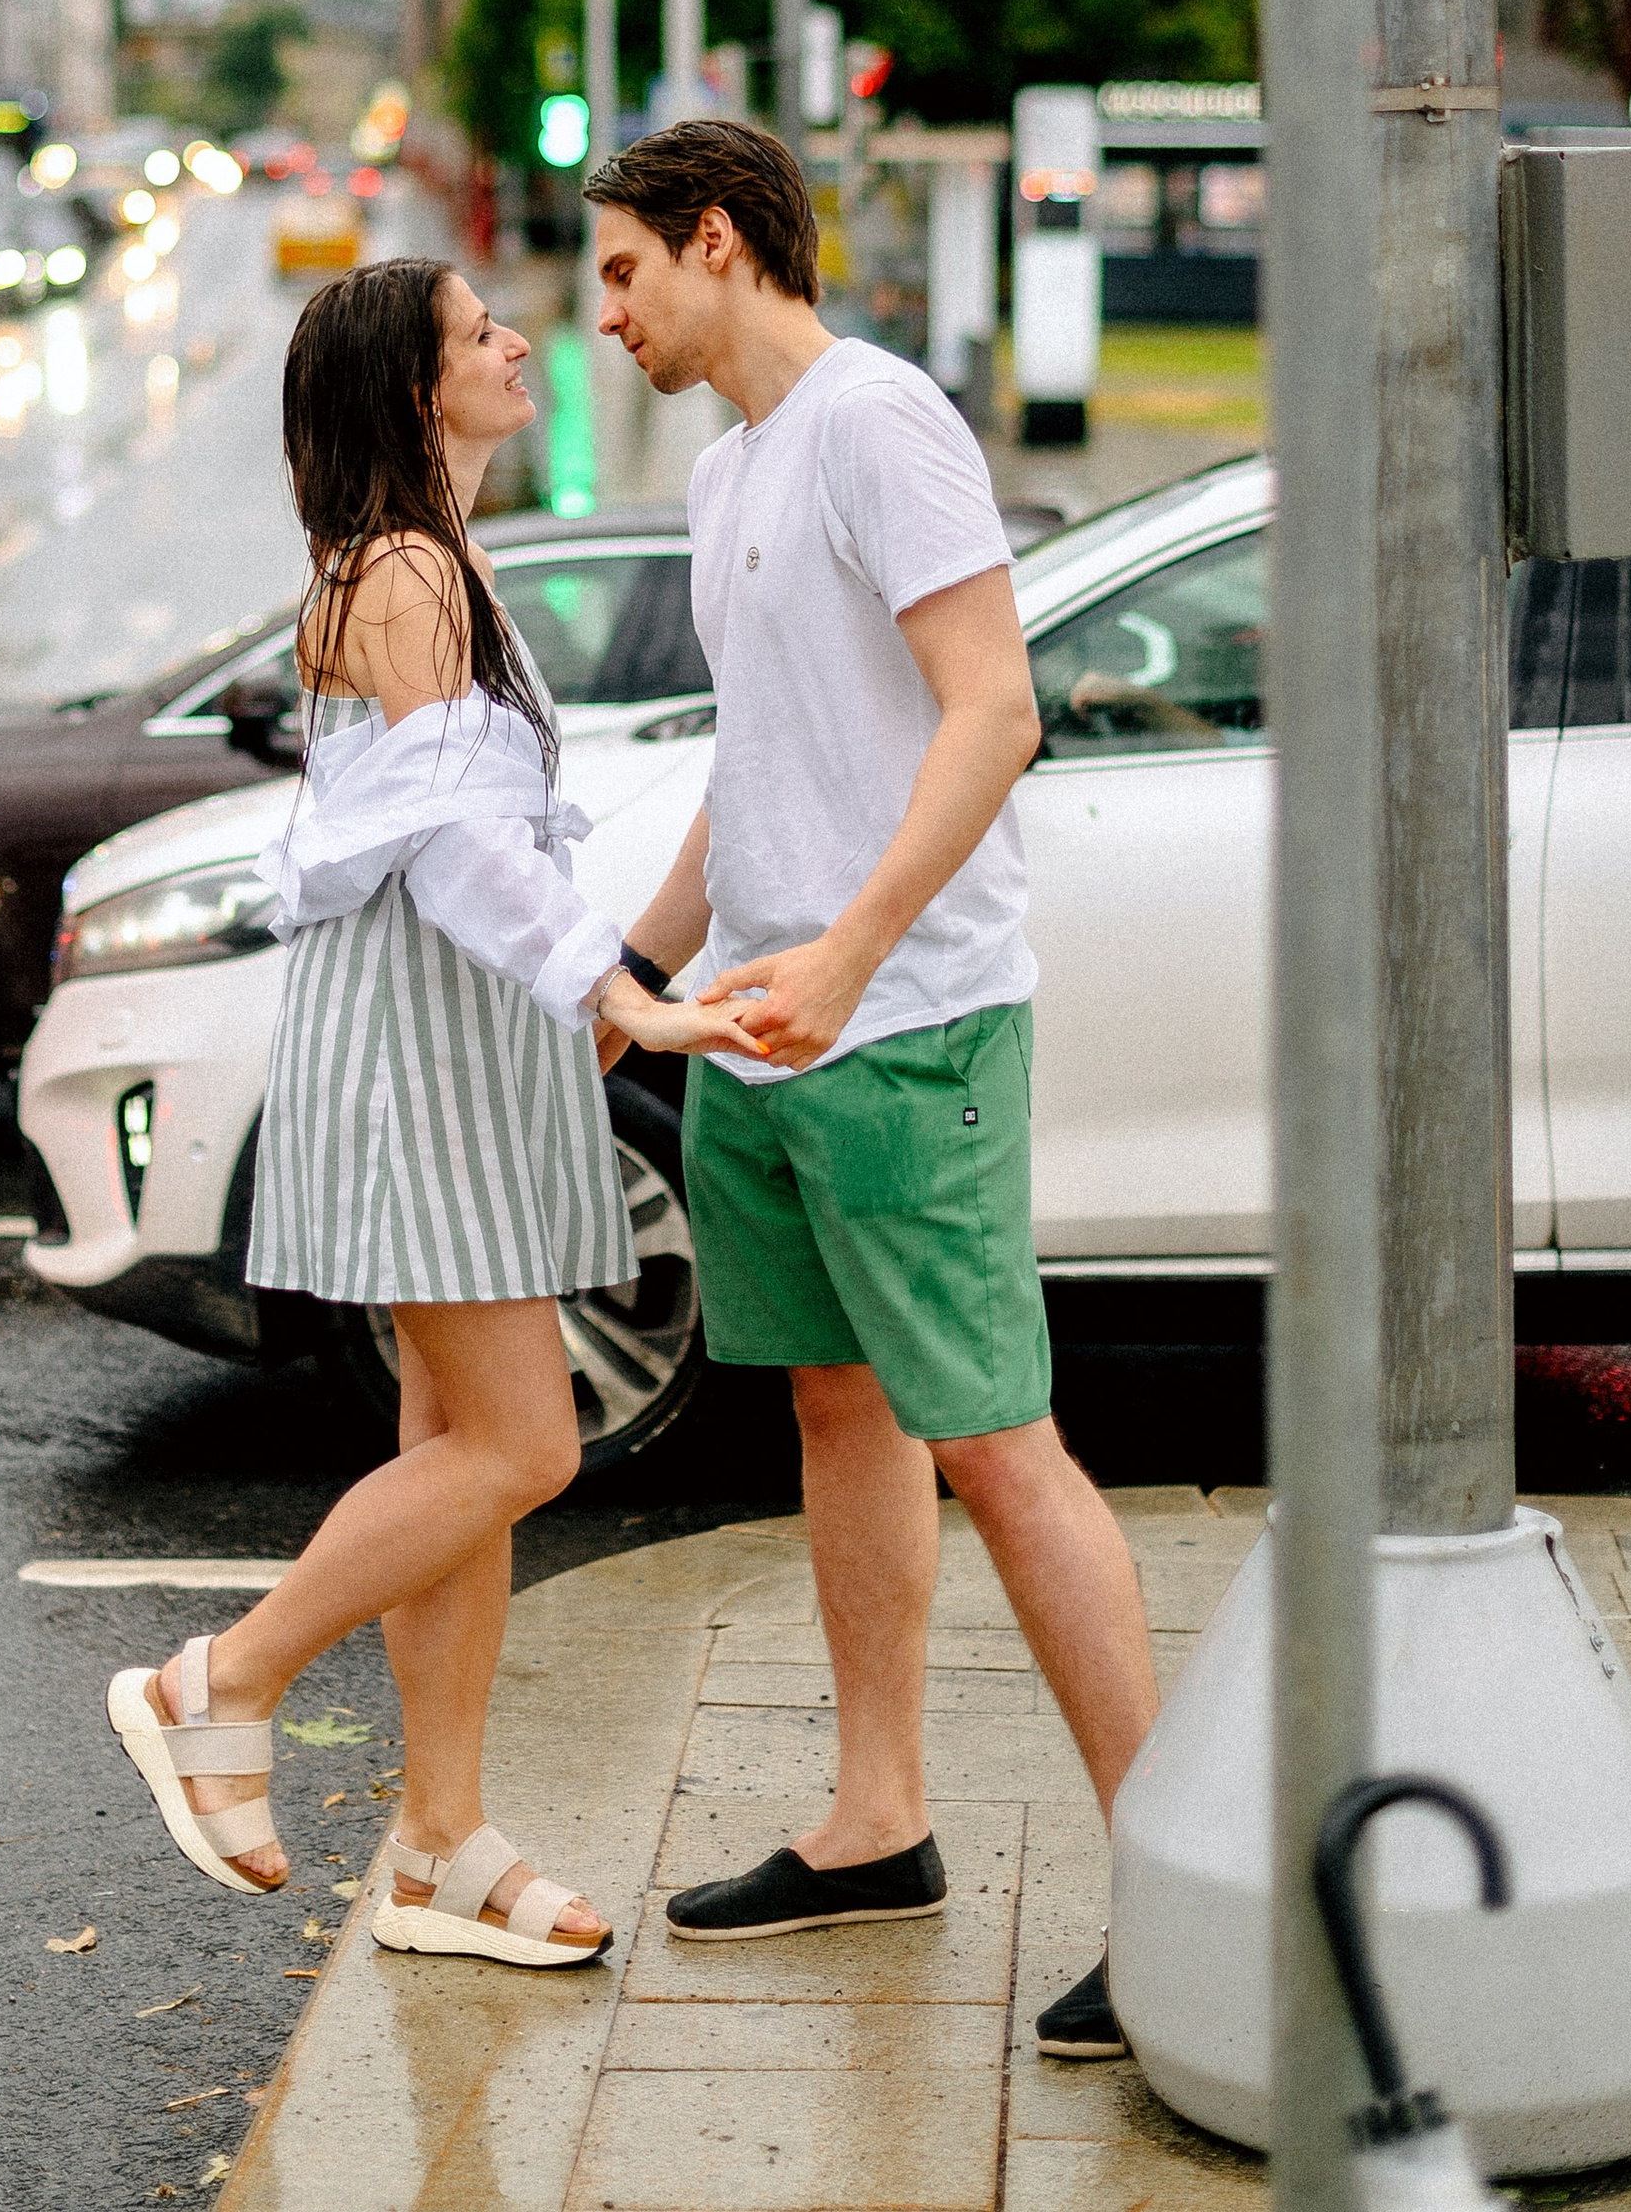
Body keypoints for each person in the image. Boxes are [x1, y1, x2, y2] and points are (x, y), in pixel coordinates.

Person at [109, 254, 761, 1970]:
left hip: (449, 1027)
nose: (519, 342)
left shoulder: (422, 561)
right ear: (416, 390)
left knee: (455, 1453)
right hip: (426, 1035)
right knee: (525, 1446)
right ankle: (219, 1679)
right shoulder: (407, 573)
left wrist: (588, 983)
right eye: (482, 333)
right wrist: (610, 984)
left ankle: (441, 1847)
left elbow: (459, 830)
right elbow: (459, 851)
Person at [586, 118, 1160, 2060]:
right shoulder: (727, 462)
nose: (605, 317)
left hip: (900, 1023)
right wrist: (647, 964)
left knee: (997, 1441)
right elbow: (761, 763)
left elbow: (994, 708)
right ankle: (875, 1817)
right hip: (764, 1025)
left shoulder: (876, 420)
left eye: (621, 273)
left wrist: (843, 953)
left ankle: (1180, 1903)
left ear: (721, 242)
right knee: (839, 1411)